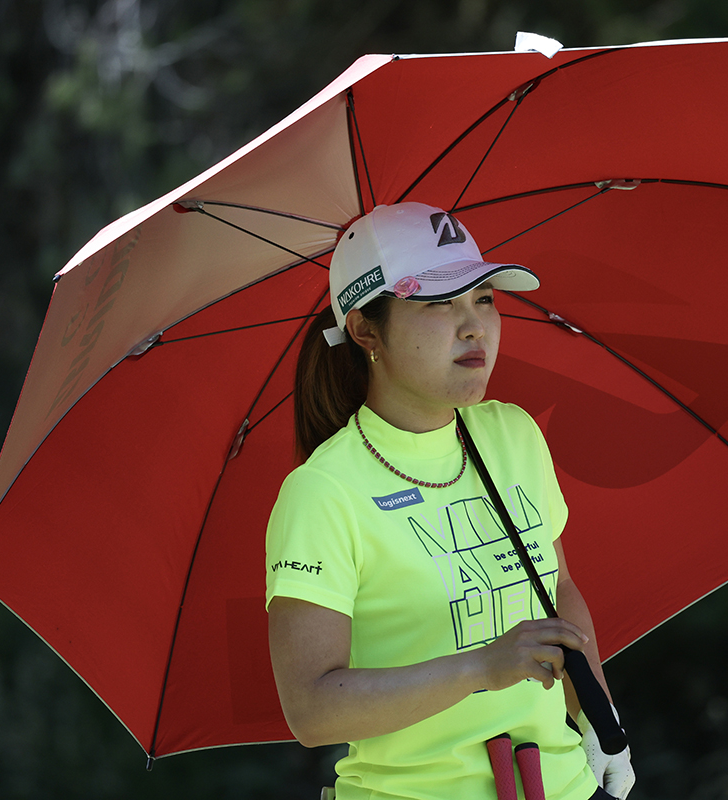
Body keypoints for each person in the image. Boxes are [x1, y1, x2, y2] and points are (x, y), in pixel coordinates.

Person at [265, 202, 635, 800]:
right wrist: (479, 668)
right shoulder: (322, 491)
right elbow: (311, 709)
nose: (474, 326)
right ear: (365, 329)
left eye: (484, 299)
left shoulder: (512, 434)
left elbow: (560, 590)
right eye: (440, 302)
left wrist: (600, 722)